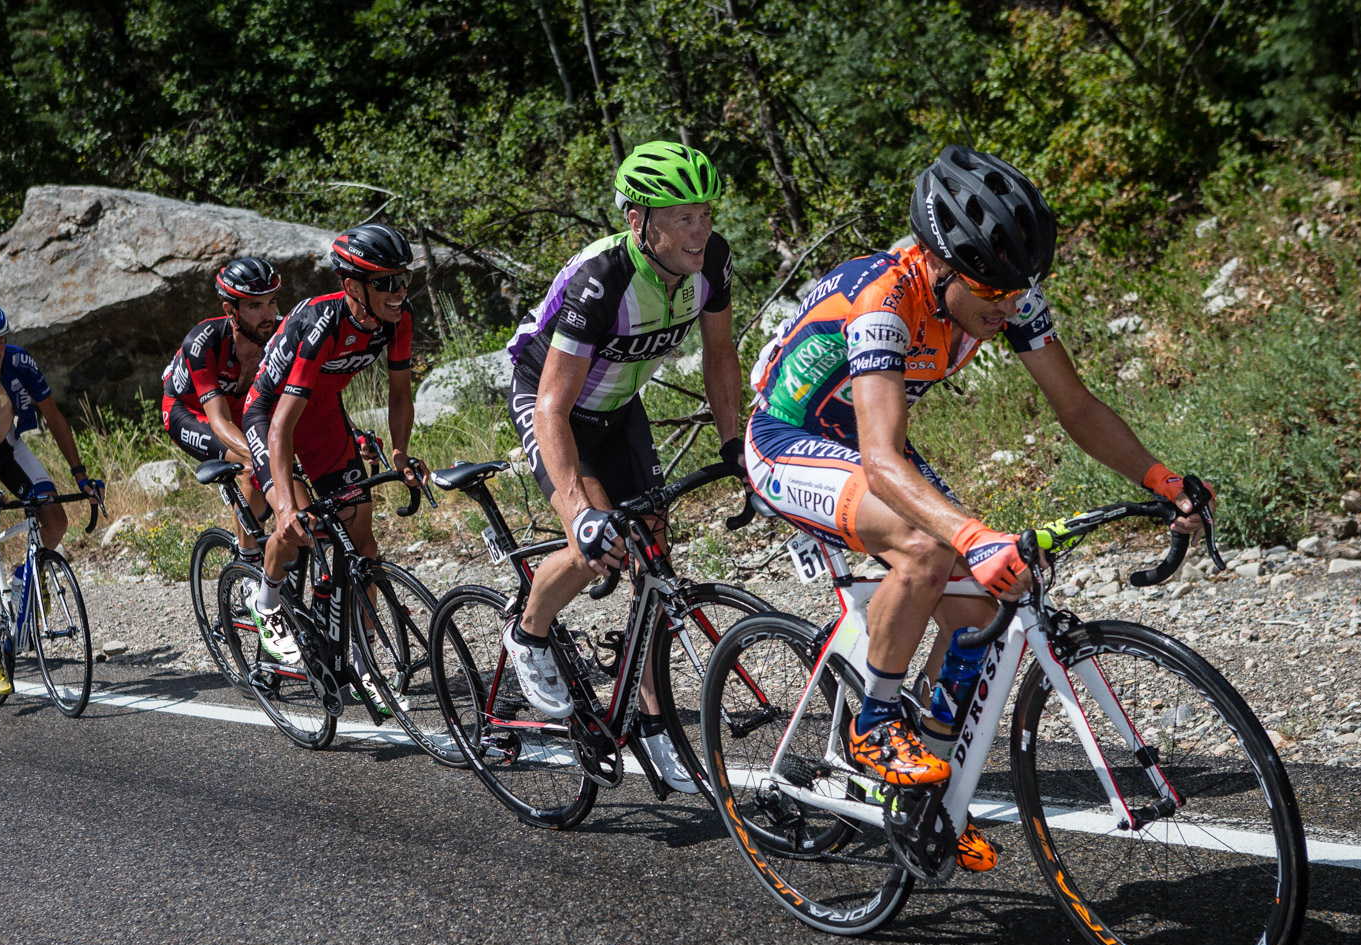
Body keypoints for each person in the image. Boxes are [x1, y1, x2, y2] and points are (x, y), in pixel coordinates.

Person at [745, 145, 1214, 871]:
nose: (1008, 308)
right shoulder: (883, 299)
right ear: (940, 266)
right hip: (788, 440)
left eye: (1017, 292)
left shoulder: (1007, 293)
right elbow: (881, 462)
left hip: (871, 439)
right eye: (992, 293)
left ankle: (920, 796)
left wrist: (1162, 478)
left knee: (984, 607)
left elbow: (1076, 405)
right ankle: (873, 722)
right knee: (927, 548)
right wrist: (970, 535)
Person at [499, 140, 743, 792]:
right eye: (683, 217)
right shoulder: (602, 279)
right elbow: (552, 405)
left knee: (654, 560)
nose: (700, 230)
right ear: (640, 221)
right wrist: (579, 510)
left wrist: (733, 445)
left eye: (706, 214)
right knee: (597, 544)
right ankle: (529, 632)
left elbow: (720, 355)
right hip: (550, 402)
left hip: (618, 406)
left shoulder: (712, 262)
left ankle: (653, 721)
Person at [239, 224, 426, 700]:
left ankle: (362, 656)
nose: (399, 291)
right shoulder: (322, 323)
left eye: (403, 279)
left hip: (322, 416)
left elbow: (400, 394)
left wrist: (400, 453)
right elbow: (281, 425)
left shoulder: (398, 318)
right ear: (352, 287)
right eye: (386, 282)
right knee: (296, 524)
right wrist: (284, 507)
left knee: (363, 541)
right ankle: (267, 600)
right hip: (271, 414)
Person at [0, 296, 104, 697]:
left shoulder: (20, 362)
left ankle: (28, 573)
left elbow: (54, 416)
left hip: (8, 449)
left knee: (55, 518)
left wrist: (80, 475)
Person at [162, 256, 280, 559]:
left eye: (272, 302)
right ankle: (249, 560)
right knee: (252, 463)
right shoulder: (203, 341)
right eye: (255, 306)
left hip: (242, 408)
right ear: (230, 311)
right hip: (189, 411)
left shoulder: (281, 335)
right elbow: (219, 422)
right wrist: (260, 454)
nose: (268, 315)